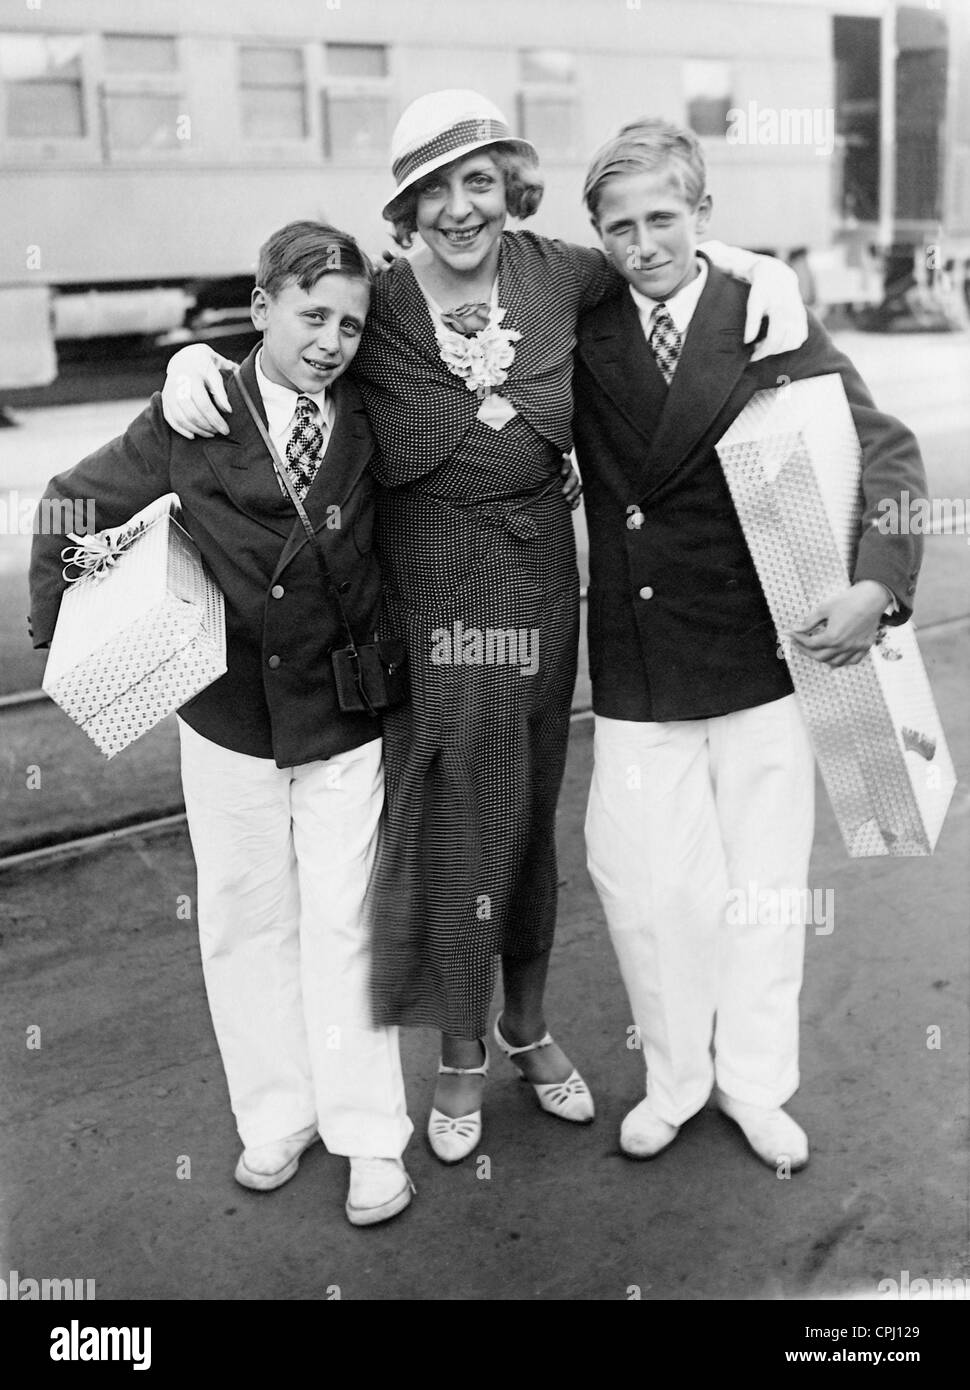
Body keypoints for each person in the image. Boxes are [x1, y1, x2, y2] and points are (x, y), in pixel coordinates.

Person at [159, 90, 808, 1166]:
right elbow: (284, 348)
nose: (461, 207)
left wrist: (768, 270)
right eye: (434, 188)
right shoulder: (376, 299)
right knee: (449, 810)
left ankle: (527, 1025)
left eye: (479, 180)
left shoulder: (561, 272)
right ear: (406, 203)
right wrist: (196, 364)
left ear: (509, 185)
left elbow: (662, 253)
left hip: (540, 584)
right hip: (424, 587)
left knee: (529, 808)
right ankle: (461, 1047)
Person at [29, 221, 414, 1226]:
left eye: (348, 323)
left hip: (347, 712)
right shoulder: (192, 411)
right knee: (246, 920)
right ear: (261, 310)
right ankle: (276, 1113)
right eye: (310, 315)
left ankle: (369, 1132)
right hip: (231, 715)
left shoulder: (368, 410)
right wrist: (85, 606)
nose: (329, 340)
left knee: (349, 923)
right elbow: (70, 507)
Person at [575, 119, 927, 1169]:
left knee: (765, 886)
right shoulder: (581, 317)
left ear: (703, 215)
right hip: (640, 663)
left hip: (767, 651)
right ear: (596, 234)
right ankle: (675, 1076)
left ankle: (754, 1083)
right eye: (619, 225)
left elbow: (889, 450)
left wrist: (878, 582)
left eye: (664, 219)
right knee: (647, 888)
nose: (643, 244)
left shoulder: (759, 310)